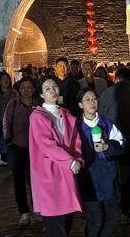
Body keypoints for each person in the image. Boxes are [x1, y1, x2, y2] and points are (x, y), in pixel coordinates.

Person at [29, 76, 83, 237]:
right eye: (47, 89)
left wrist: (78, 158)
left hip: (66, 173)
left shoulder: (65, 113)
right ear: (41, 95)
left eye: (54, 87)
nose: (52, 91)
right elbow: (47, 145)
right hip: (49, 174)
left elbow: (76, 140)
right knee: (56, 225)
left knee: (66, 223)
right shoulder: (37, 116)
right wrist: (71, 162)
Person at [98, 66, 130, 225]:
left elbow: (100, 116)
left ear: (116, 78)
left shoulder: (106, 94)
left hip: (111, 142)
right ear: (129, 79)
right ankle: (124, 211)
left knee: (111, 176)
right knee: (127, 177)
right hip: (129, 143)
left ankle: (111, 209)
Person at [77, 89, 125, 237]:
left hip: (107, 175)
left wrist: (107, 147)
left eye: (94, 99)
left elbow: (121, 144)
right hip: (88, 178)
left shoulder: (106, 123)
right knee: (95, 219)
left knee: (113, 216)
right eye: (87, 100)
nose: (92, 103)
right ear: (80, 105)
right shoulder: (75, 127)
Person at [3, 76, 37, 227]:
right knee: (19, 181)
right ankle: (23, 212)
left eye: (29, 87)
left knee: (35, 181)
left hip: (35, 149)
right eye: (23, 87)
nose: (26, 90)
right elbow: (6, 122)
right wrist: (8, 140)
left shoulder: (38, 104)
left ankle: (38, 208)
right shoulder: (13, 104)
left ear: (34, 89)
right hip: (16, 147)